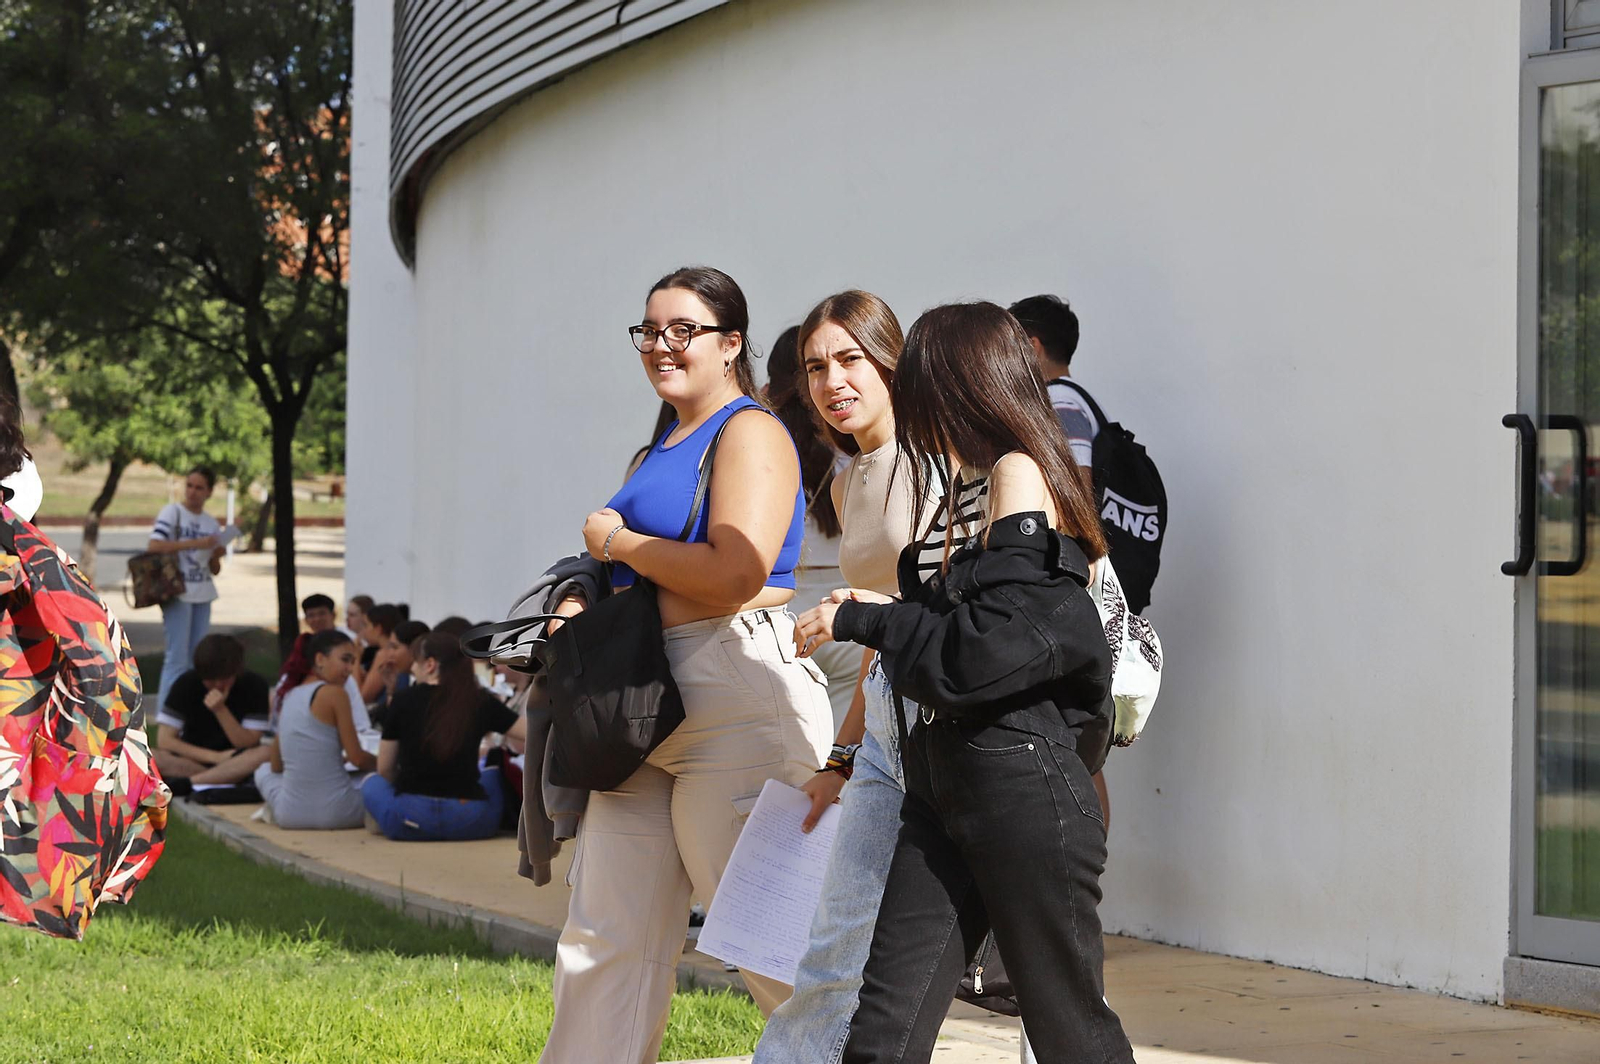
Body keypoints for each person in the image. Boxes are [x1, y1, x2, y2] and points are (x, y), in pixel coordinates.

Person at [796, 302, 1133, 1063]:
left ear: (960, 383)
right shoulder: (959, 483)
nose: (907, 398)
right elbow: (960, 628)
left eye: (916, 380)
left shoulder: (1018, 471)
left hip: (1020, 788)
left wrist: (869, 623)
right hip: (941, 784)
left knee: (1068, 1032)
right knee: (884, 1030)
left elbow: (991, 651)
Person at [537, 266, 832, 1064]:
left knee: (777, 947)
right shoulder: (662, 441)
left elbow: (737, 572)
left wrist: (616, 543)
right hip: (644, 704)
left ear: (731, 343)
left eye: (683, 331)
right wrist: (584, 589)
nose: (661, 347)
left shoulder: (751, 432)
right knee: (605, 941)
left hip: (735, 694)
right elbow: (635, 573)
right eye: (649, 331)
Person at [754, 289, 939, 1064]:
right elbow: (872, 648)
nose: (832, 382)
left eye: (850, 360)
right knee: (834, 944)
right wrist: (841, 757)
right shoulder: (843, 479)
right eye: (815, 368)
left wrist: (873, 608)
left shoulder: (945, 461)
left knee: (1039, 958)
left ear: (889, 360)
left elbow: (954, 605)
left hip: (960, 725)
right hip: (888, 728)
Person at [1009, 294, 1115, 830]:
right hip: (1076, 588)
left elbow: (1078, 498)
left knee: (1080, 743)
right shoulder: (1072, 402)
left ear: (1030, 346)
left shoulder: (1060, 404)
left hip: (1076, 589)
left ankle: (1086, 884)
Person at [765, 323, 859, 730]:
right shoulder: (847, 447)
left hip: (779, 612)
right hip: (841, 613)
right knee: (837, 749)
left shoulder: (762, 442)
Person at [360, 630, 525, 840]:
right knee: (492, 772)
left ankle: (388, 819)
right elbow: (531, 732)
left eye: (415, 662)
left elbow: (385, 768)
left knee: (371, 782)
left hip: (409, 820)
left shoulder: (403, 700)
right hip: (472, 822)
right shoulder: (479, 700)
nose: (412, 668)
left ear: (430, 664)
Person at [253, 630, 374, 829]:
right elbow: (357, 758)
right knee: (380, 780)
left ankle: (274, 808)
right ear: (320, 659)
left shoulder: (290, 696)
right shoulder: (336, 694)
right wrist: (387, 765)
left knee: (263, 770)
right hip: (341, 812)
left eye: (353, 662)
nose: (350, 669)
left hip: (289, 815)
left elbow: (276, 765)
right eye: (345, 660)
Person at [147, 467, 232, 712]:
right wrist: (197, 543)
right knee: (177, 657)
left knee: (198, 658)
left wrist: (216, 553)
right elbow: (154, 545)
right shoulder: (173, 512)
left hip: (202, 591)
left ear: (209, 492)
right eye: (190, 486)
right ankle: (166, 713)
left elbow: (214, 569)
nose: (193, 492)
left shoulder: (210, 522)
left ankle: (188, 711)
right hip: (177, 591)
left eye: (199, 487)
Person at [153, 632, 274, 786]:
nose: (218, 685)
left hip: (238, 761)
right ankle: (218, 779)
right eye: (210, 680)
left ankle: (188, 784)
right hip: (193, 760)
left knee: (265, 753)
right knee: (146, 756)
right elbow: (165, 740)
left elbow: (247, 743)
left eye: (224, 678)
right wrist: (215, 757)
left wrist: (220, 710)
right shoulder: (186, 683)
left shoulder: (254, 685)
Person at [362, 617, 429, 722]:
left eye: (394, 647)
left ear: (415, 649)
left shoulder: (426, 689)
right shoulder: (404, 679)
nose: (388, 653)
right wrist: (391, 689)